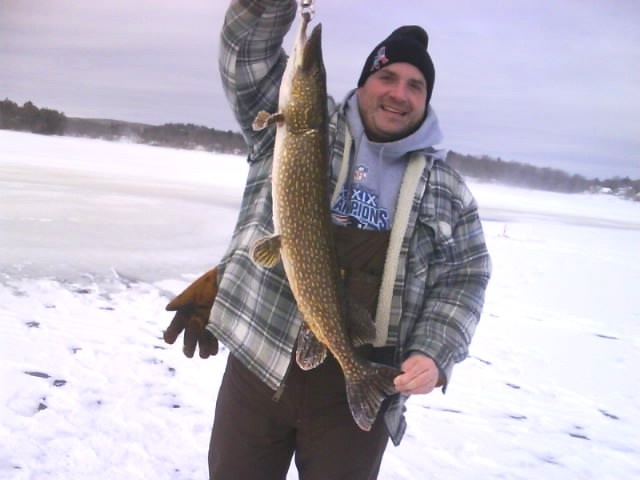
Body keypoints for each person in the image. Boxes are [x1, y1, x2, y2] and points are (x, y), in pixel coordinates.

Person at [163, 0, 492, 478]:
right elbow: (245, 51)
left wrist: (434, 351)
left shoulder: (446, 189)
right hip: (262, 360)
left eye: (415, 85)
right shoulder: (298, 127)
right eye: (387, 77)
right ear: (363, 83)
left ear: (426, 98)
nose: (399, 93)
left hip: (358, 383)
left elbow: (466, 277)